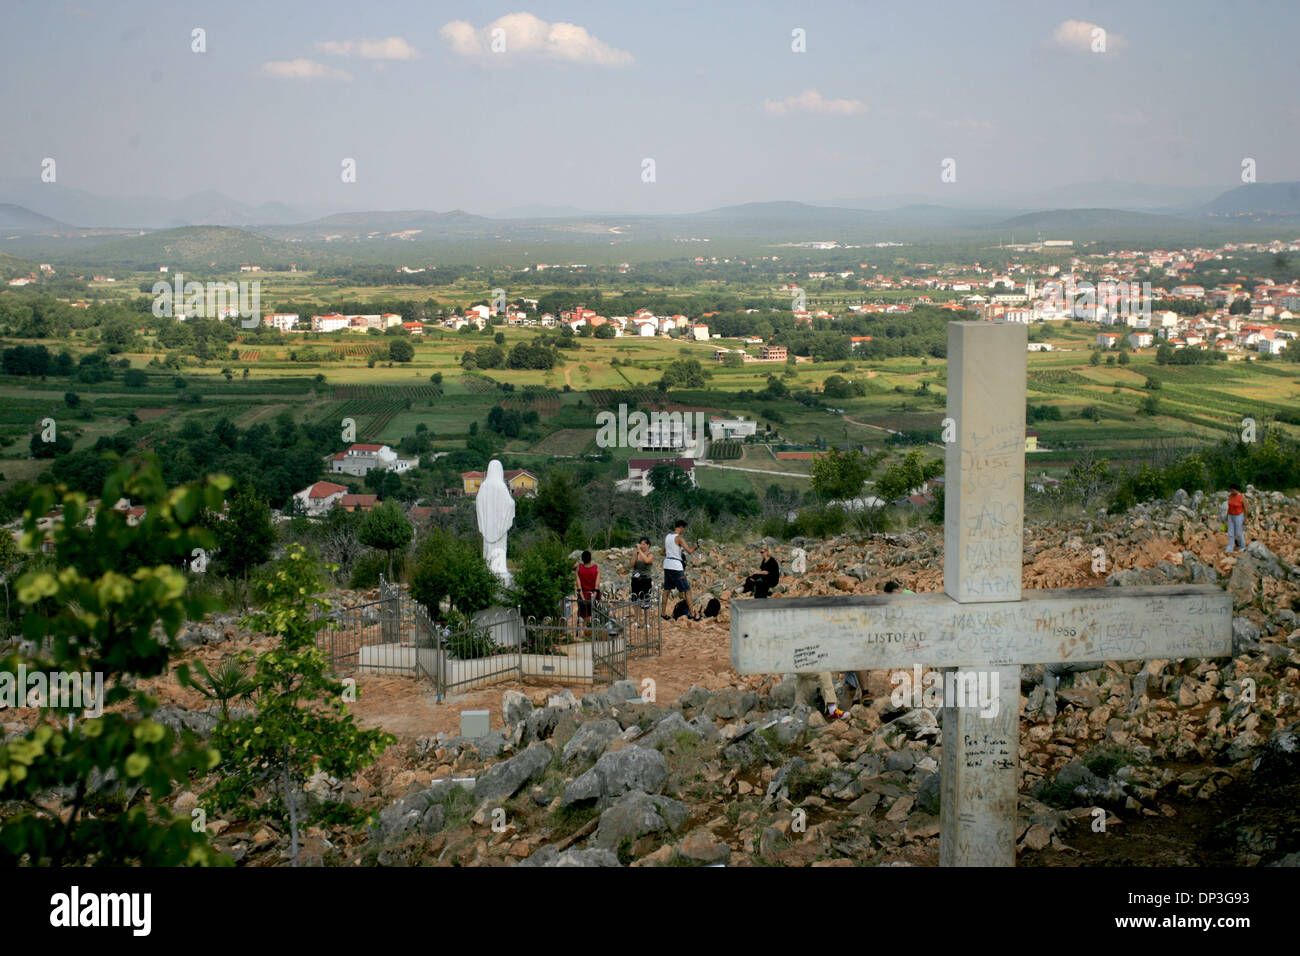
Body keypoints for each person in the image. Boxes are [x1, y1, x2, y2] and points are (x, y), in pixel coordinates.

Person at [661, 519, 696, 620]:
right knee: (687, 590)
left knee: (667, 590)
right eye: (684, 528)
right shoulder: (679, 538)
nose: (684, 530)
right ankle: (692, 614)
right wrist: (695, 546)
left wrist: (671, 554)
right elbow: (689, 551)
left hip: (667, 564)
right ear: (681, 527)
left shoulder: (667, 537)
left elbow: (661, 552)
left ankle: (663, 613)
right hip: (676, 566)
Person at [574, 550, 600, 625]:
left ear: (582, 559)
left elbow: (579, 586)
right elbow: (597, 586)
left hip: (583, 595)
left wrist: (583, 599)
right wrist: (593, 598)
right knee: (594, 616)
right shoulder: (596, 569)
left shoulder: (579, 569)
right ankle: (593, 634)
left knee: (584, 617)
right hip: (593, 595)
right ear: (591, 559)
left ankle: (585, 634)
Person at [630, 537, 654, 605]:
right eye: (641, 544)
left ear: (648, 545)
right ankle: (637, 615)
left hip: (645, 579)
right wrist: (635, 554)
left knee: (645, 601)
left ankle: (646, 615)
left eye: (644, 544)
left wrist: (640, 551)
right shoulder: (637, 554)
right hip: (636, 579)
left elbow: (647, 560)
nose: (642, 546)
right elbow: (631, 564)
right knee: (635, 601)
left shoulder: (650, 554)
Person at [1225, 484, 1247, 554]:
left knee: (1238, 532)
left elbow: (1246, 508)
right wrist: (1227, 515)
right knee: (1230, 532)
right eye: (1230, 490)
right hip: (1230, 515)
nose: (1231, 491)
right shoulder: (1230, 496)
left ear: (1236, 490)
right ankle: (1230, 547)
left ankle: (1242, 546)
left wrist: (1245, 518)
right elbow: (1229, 506)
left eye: (1232, 490)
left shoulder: (1242, 497)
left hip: (1239, 515)